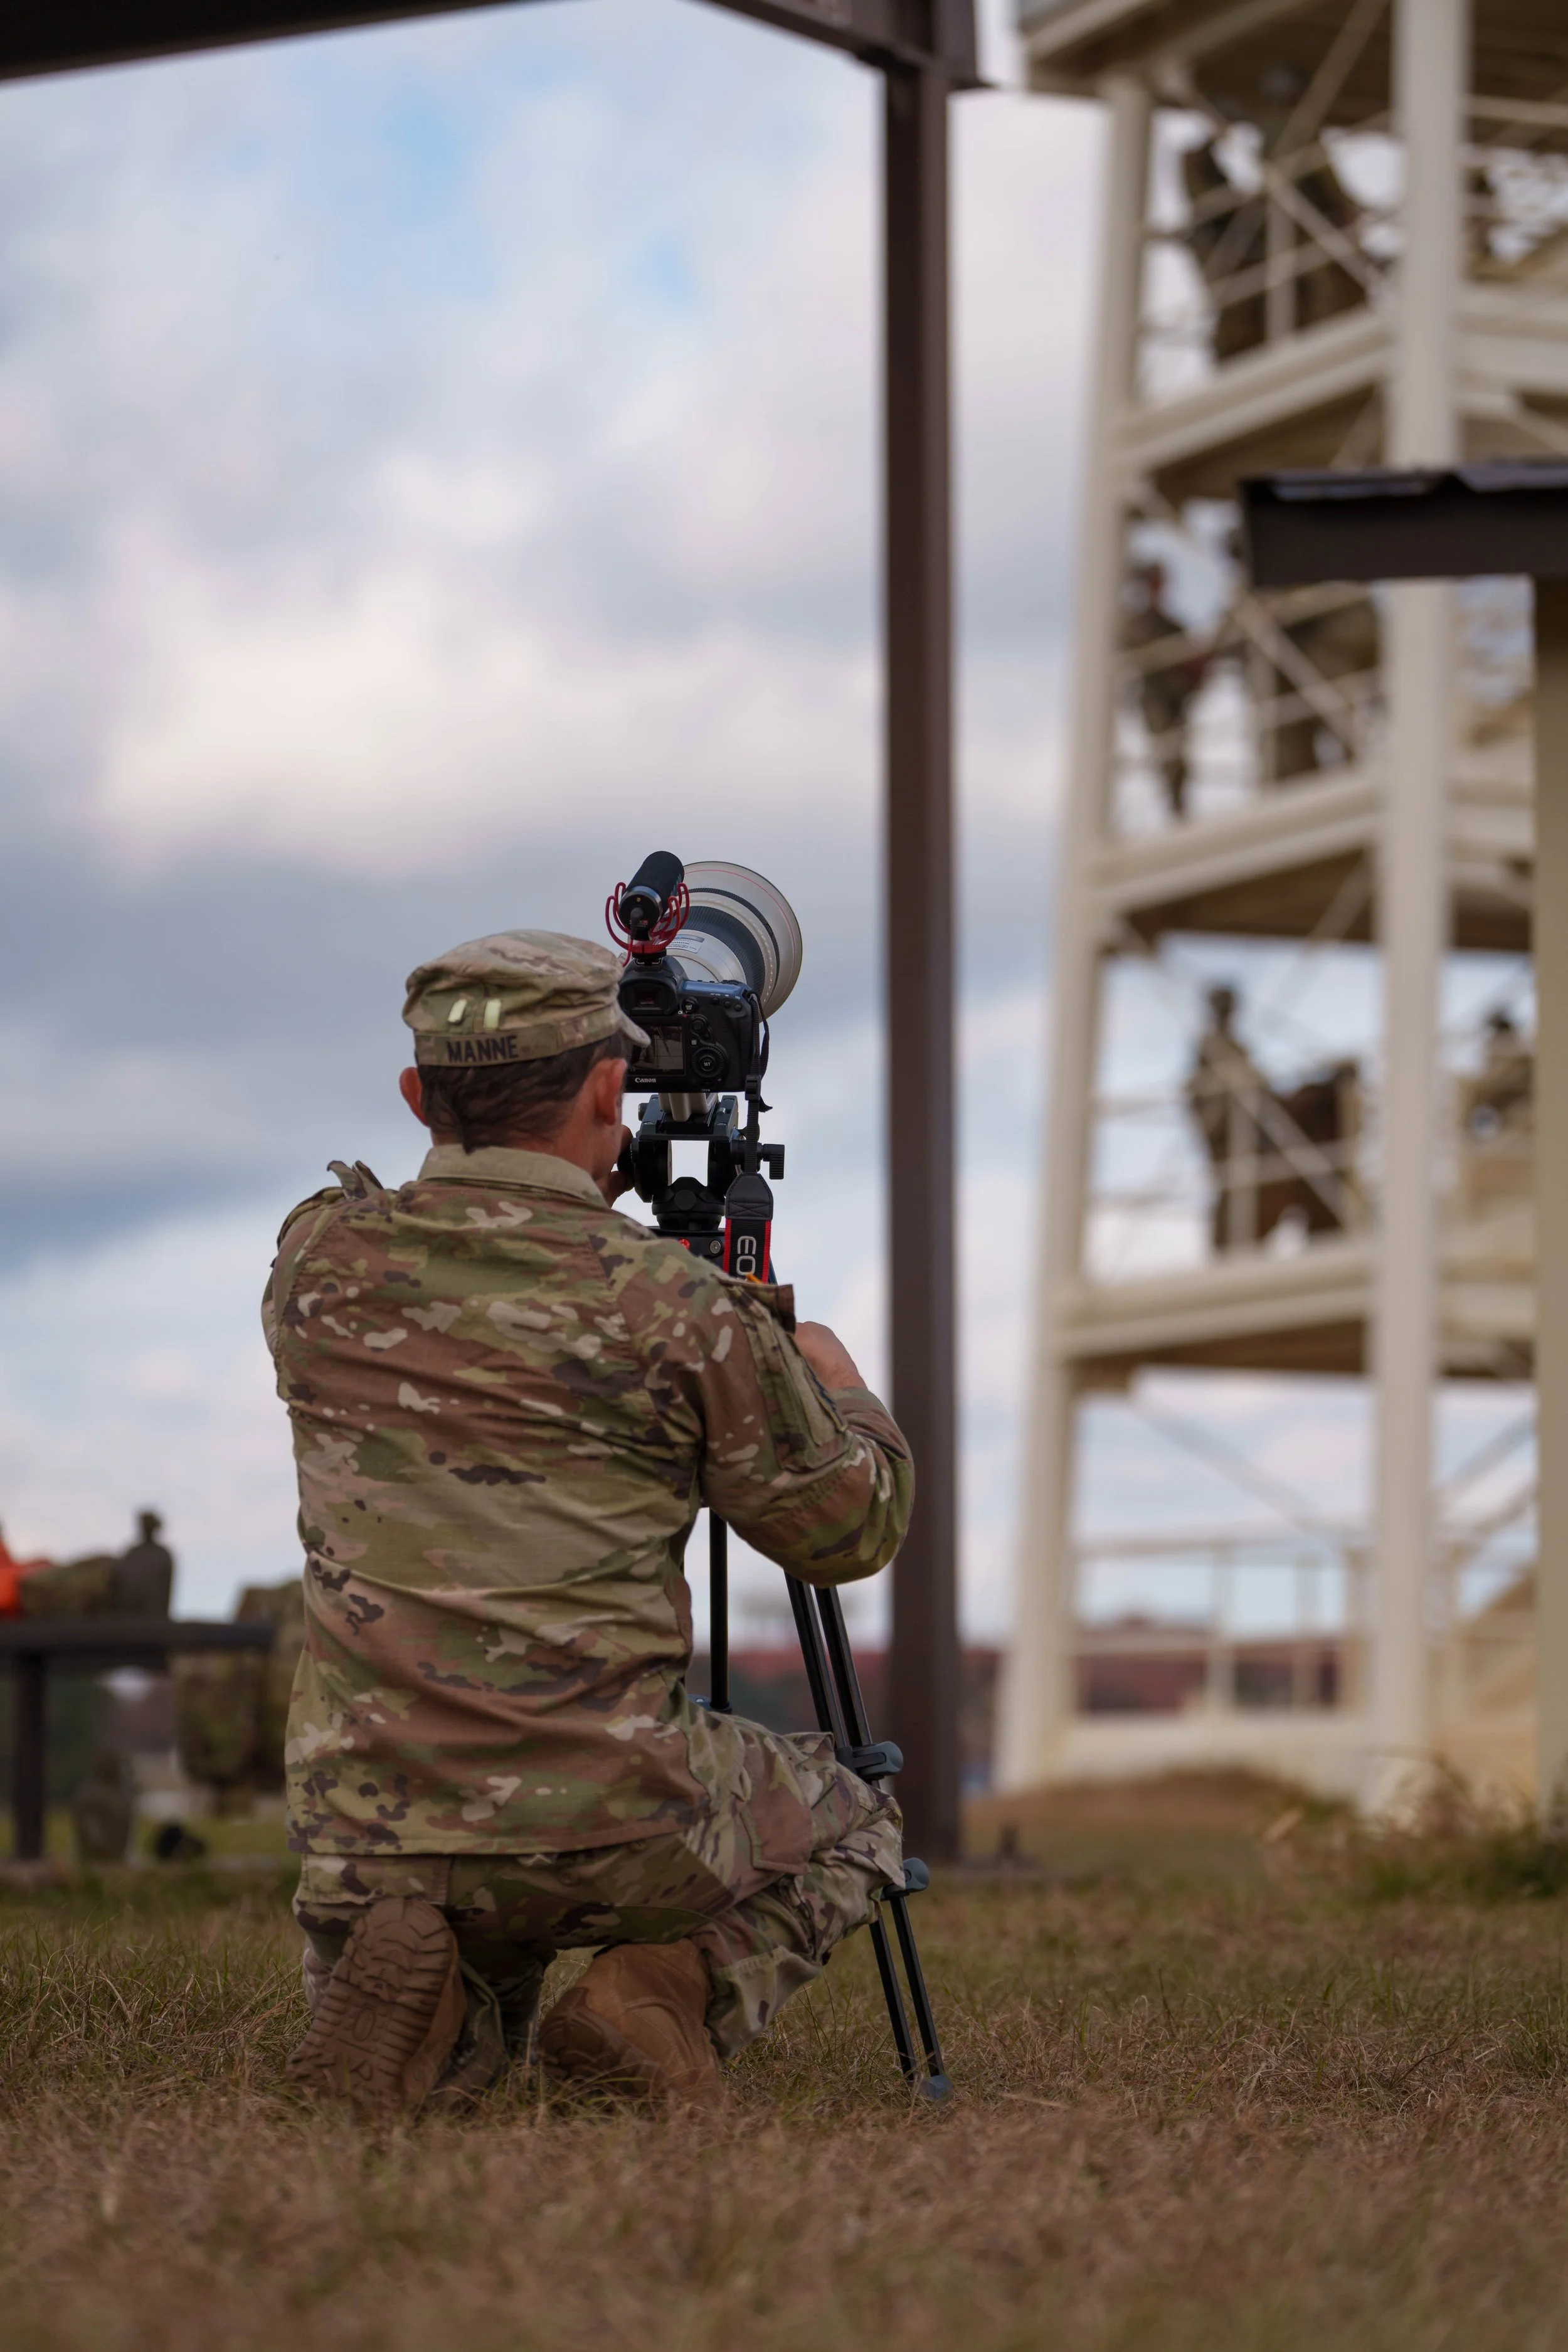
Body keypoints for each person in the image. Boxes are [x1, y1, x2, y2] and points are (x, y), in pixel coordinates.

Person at [268, 930, 913, 2119]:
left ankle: (437, 1992)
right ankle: (659, 1992)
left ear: (417, 1096)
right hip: (609, 1826)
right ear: (612, 1088)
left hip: (369, 1824)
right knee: (858, 1814)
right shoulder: (676, 1307)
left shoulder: (317, 1262)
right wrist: (831, 1380)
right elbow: (847, 1533)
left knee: (458, 1926)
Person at [115, 1509, 174, 1616]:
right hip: (130, 1615)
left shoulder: (163, 1555)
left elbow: (166, 1591)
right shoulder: (132, 1554)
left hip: (154, 1615)